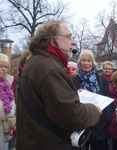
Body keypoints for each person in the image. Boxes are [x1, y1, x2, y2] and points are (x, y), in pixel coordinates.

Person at [16, 20, 101, 150]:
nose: (73, 42)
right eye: (68, 37)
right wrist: (94, 110)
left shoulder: (38, 62)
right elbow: (72, 116)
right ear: (52, 40)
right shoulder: (50, 69)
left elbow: (50, 104)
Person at [71, 50, 113, 150]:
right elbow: (70, 103)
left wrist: (107, 119)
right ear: (80, 63)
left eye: (89, 60)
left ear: (93, 63)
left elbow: (108, 100)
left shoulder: (101, 80)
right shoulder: (73, 80)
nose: (86, 63)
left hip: (100, 126)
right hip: (81, 126)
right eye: (84, 60)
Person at [0, 53, 16, 150]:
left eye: (6, 66)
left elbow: (12, 106)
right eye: (0, 66)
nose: (3, 69)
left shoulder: (8, 84)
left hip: (6, 130)